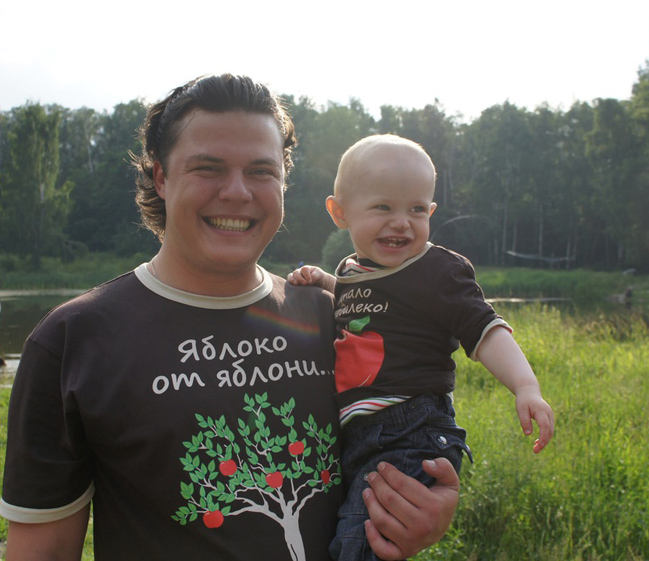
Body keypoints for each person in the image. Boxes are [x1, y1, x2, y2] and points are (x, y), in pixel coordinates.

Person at [0, 76, 461, 561]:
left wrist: (417, 507)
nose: (238, 192)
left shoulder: (336, 319)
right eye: (208, 168)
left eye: (261, 171)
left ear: (283, 183)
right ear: (161, 177)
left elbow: (398, 450)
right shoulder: (74, 341)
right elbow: (42, 552)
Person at [288, 134, 555, 561]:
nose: (402, 222)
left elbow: (485, 329)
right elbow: (370, 306)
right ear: (340, 213)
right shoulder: (352, 271)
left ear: (430, 212)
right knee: (346, 534)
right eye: (383, 207)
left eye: (416, 209)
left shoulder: (436, 270)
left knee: (361, 544)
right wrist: (325, 282)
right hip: (360, 435)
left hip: (409, 430)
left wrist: (526, 386)